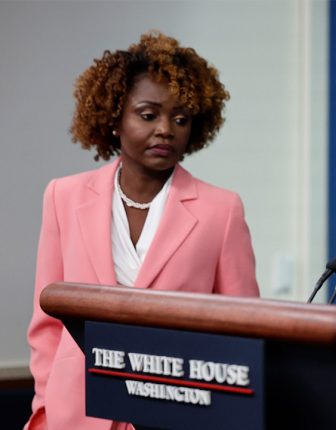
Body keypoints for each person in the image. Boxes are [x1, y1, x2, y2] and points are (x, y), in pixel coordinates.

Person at [25, 31, 260, 430]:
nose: (166, 129)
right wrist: (44, 411)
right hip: (75, 414)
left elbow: (243, 332)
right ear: (115, 118)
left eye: (180, 119)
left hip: (178, 413)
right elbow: (46, 324)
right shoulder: (62, 196)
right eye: (148, 115)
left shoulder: (222, 210)